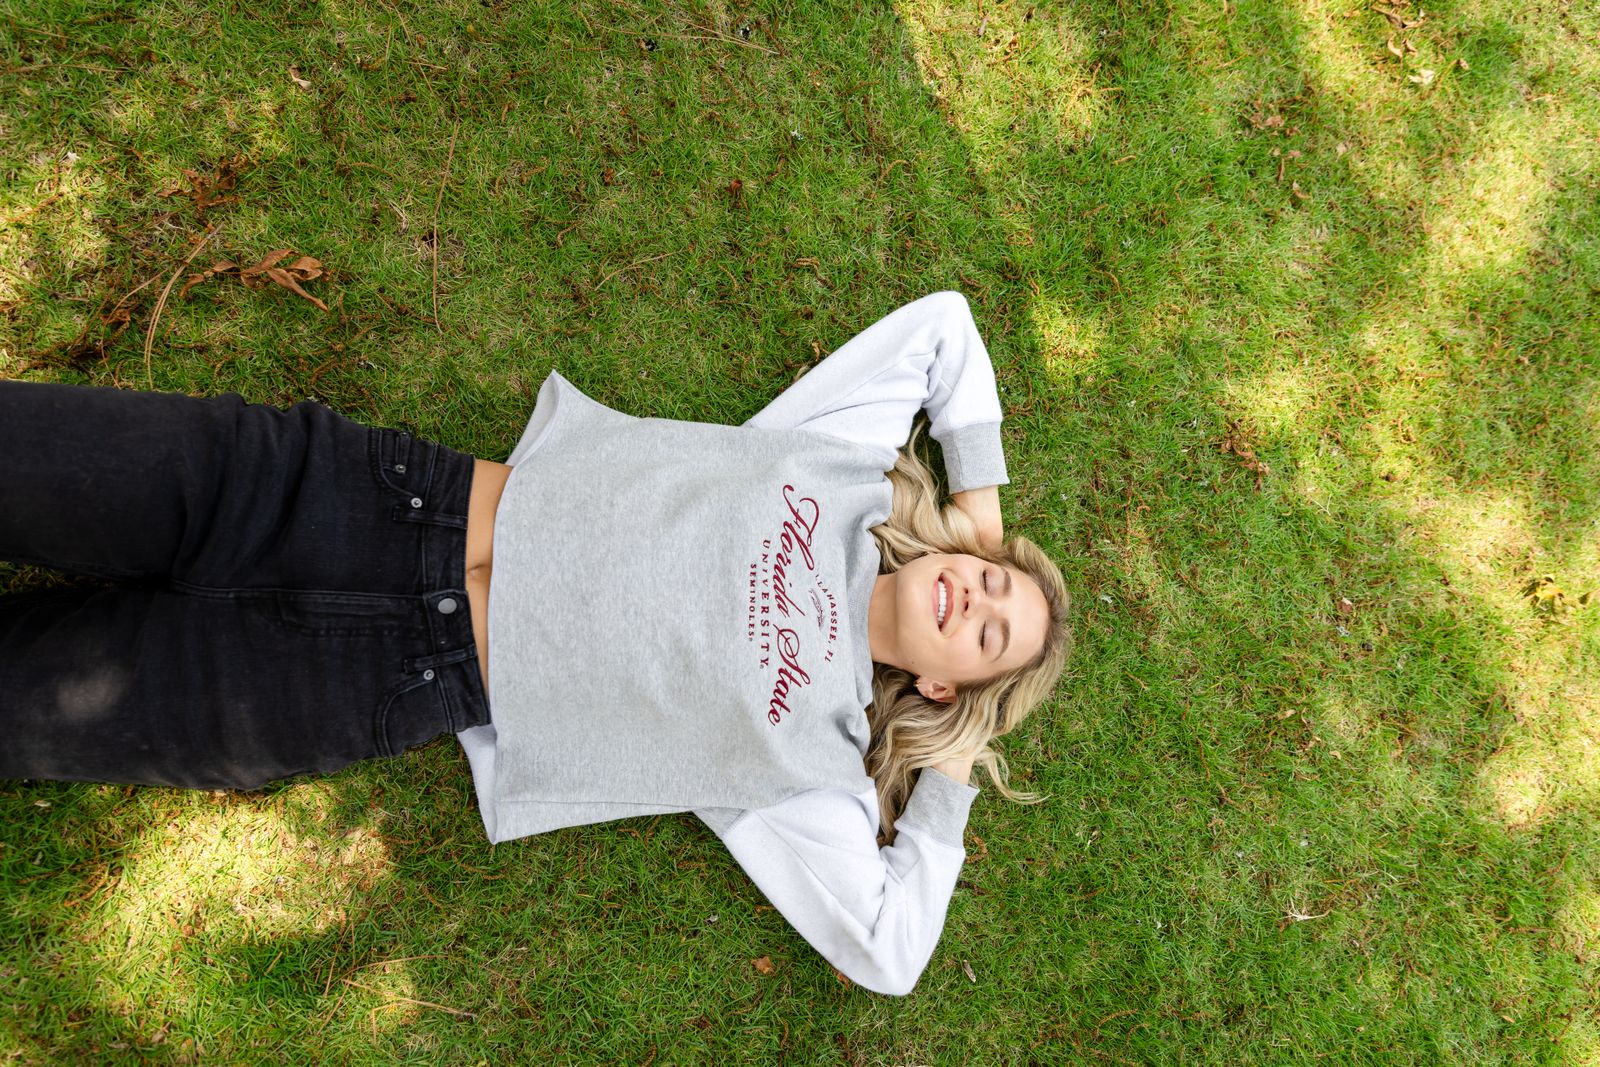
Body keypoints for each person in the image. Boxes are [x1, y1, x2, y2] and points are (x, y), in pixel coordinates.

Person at [0, 291, 1069, 995]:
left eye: (988, 631)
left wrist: (949, 781)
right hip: (360, 496)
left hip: (347, 680)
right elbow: (946, 331)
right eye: (988, 577)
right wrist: (980, 495)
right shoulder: (846, 463)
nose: (971, 593)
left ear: (944, 679)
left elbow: (890, 951)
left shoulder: (814, 769)